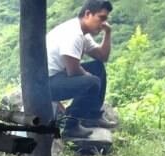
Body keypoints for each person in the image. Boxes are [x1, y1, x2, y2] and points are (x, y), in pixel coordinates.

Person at [46, 1, 115, 138]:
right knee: (93, 82)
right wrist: (89, 77)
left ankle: (92, 116)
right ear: (88, 14)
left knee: (98, 67)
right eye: (101, 18)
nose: (103, 24)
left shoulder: (83, 34)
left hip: (57, 76)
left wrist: (108, 33)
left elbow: (102, 56)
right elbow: (73, 71)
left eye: (106, 19)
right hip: (46, 84)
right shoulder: (74, 33)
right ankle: (71, 126)